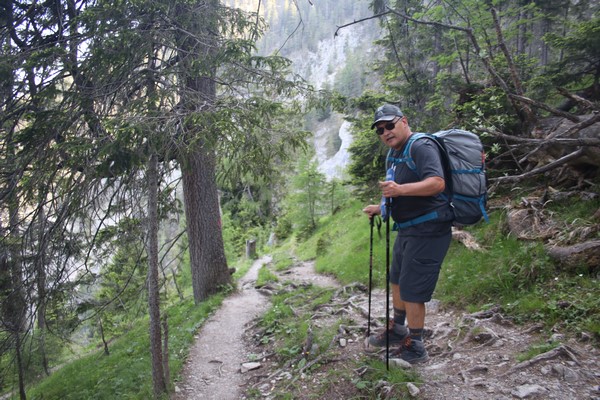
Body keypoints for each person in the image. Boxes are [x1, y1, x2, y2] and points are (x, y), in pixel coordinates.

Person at [362, 104, 454, 364]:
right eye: (380, 130)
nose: (385, 132)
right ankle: (398, 329)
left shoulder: (421, 146)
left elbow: (437, 183)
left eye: (389, 125)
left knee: (412, 288)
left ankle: (416, 347)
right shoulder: (394, 154)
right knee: (397, 280)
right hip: (408, 228)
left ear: (403, 121)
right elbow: (394, 189)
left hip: (430, 228)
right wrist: (380, 208)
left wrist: (400, 190)